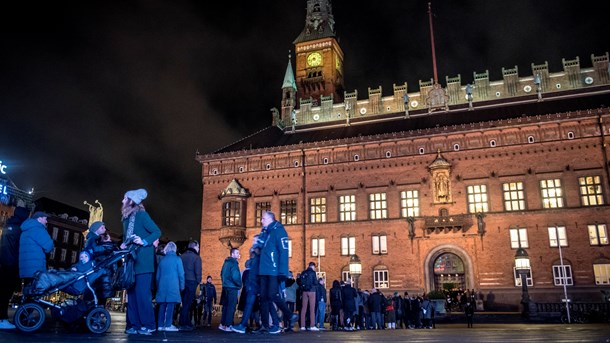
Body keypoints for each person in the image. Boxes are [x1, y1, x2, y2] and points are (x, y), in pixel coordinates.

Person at [119, 188, 162, 335]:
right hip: (131, 262)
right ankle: (134, 325)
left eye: (124, 198)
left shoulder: (142, 215)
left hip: (143, 263)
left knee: (142, 295)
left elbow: (157, 232)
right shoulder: (125, 219)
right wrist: (124, 243)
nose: (122, 201)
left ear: (131, 201)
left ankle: (148, 324)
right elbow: (127, 237)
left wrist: (143, 241)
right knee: (131, 295)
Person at [257, 211, 298, 334]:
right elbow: (259, 248)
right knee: (263, 298)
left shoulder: (279, 231)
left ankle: (290, 315)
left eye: (263, 218)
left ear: (270, 219)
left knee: (272, 295)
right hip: (264, 270)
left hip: (273, 270)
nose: (261, 221)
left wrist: (283, 272)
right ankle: (264, 325)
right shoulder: (266, 232)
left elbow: (284, 252)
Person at [0, 207, 29, 329]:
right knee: (6, 293)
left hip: (3, 262)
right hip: (11, 264)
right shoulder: (19, 229)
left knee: (3, 292)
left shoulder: (8, 226)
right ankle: (2, 319)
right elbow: (20, 249)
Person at [231, 244, 261, 334]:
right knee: (253, 309)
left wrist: (239, 293)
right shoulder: (253, 270)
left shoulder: (243, 272)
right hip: (252, 290)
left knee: (248, 308)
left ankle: (245, 324)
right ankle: (256, 324)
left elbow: (240, 282)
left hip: (246, 291)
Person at [155, 241, 184, 332]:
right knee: (171, 305)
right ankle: (168, 324)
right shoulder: (177, 259)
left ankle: (160, 325)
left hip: (162, 286)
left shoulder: (162, 260)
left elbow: (157, 276)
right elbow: (181, 274)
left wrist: (158, 286)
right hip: (173, 285)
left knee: (162, 305)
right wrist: (182, 286)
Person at [19, 211, 54, 286]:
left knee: (27, 290)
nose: (46, 221)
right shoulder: (38, 229)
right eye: (45, 219)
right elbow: (49, 246)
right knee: (35, 292)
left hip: (26, 268)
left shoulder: (25, 230)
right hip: (36, 268)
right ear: (39, 219)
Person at [178, 240, 202, 331]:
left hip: (183, 282)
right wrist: (198, 282)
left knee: (184, 303)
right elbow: (198, 272)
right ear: (194, 247)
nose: (199, 248)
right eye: (198, 247)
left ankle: (186, 322)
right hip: (192, 282)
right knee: (188, 304)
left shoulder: (182, 256)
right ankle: (183, 323)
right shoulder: (196, 257)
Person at [219, 248, 241, 332]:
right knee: (231, 307)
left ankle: (222, 324)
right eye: (237, 253)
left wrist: (225, 282)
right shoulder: (234, 263)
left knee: (225, 306)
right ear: (232, 254)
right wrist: (239, 284)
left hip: (225, 287)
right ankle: (228, 325)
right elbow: (235, 276)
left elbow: (221, 273)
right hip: (232, 287)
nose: (239, 254)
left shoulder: (226, 263)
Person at [299, 262, 319, 331]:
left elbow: (300, 282)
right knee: (312, 309)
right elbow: (315, 282)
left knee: (303, 309)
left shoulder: (303, 272)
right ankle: (312, 325)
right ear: (313, 266)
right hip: (312, 291)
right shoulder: (313, 273)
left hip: (304, 291)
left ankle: (302, 325)